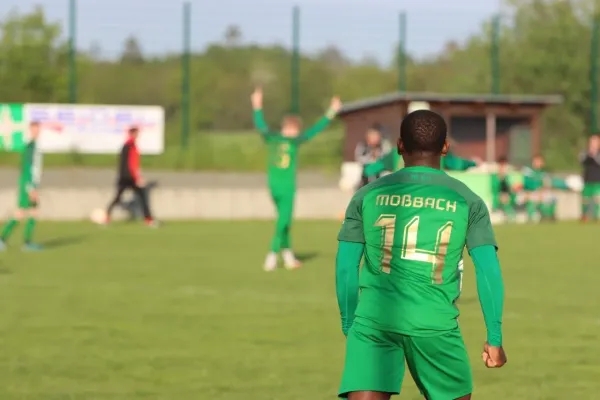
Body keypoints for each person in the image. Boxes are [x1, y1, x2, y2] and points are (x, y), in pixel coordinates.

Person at [335, 109, 506, 400]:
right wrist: (494, 337)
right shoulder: (468, 200)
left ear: (400, 146)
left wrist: (351, 324)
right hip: (435, 324)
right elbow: (488, 271)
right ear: (445, 148)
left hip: (374, 321)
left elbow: (346, 266)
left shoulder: (367, 194)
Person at [251, 87, 342, 271]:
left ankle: (288, 256)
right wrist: (257, 106)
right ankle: (271, 255)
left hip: (284, 187)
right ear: (284, 128)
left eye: (294, 129)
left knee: (285, 221)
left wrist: (331, 112)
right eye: (290, 128)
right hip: (279, 187)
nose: (292, 132)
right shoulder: (273, 138)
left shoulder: (295, 141)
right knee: (283, 221)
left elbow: (315, 130)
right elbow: (261, 125)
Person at [0, 121, 44, 251]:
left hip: (31, 183)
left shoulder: (35, 146)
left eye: (38, 129)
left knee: (34, 212)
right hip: (28, 184)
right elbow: (28, 168)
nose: (37, 131)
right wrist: (31, 188)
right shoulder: (30, 147)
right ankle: (3, 239)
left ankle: (27, 242)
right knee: (21, 213)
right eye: (34, 129)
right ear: (30, 130)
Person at [105, 126, 157, 227]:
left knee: (119, 197)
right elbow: (132, 164)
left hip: (124, 176)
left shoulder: (126, 145)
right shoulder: (131, 146)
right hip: (130, 177)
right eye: (137, 133)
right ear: (133, 133)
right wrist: (137, 178)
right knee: (141, 197)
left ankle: (107, 216)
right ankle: (149, 219)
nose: (138, 135)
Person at [580, 135, 600, 222]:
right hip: (587, 180)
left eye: (595, 142)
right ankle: (584, 216)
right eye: (592, 141)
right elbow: (582, 162)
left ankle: (598, 216)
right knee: (585, 200)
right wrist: (589, 154)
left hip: (598, 180)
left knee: (597, 199)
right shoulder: (585, 153)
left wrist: (594, 155)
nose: (593, 143)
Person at [491, 157, 517, 222]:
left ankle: (511, 216)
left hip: (508, 197)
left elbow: (510, 189)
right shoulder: (494, 176)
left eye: (504, 166)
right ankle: (511, 217)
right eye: (501, 165)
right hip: (498, 197)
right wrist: (499, 178)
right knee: (504, 198)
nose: (503, 168)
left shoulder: (507, 176)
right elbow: (494, 189)